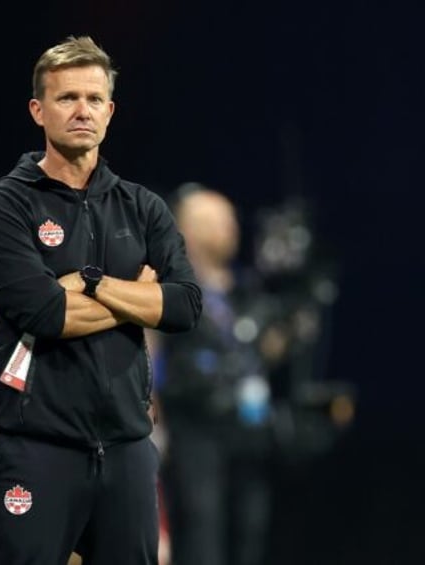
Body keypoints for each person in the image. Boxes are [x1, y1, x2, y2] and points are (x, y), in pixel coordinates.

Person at [0, 35, 202, 565]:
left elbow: (186, 307)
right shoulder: (4, 203)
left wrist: (89, 281)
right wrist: (138, 295)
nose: (82, 111)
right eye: (67, 98)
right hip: (35, 449)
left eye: (94, 99)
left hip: (126, 451)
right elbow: (45, 313)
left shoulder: (142, 207)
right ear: (38, 110)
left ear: (110, 111)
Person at [157, 185, 273, 565]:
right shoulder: (165, 286)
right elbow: (148, 349)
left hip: (247, 428)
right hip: (192, 427)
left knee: (249, 530)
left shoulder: (247, 289)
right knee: (201, 527)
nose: (230, 228)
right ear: (186, 228)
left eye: (230, 219)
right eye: (216, 221)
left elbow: (260, 352)